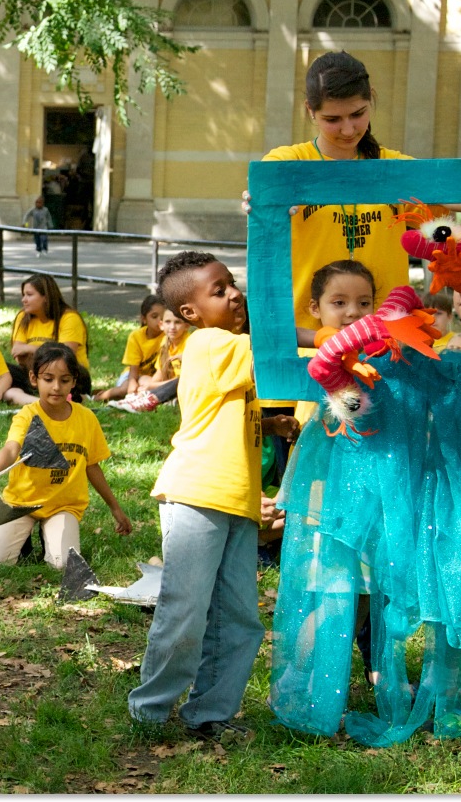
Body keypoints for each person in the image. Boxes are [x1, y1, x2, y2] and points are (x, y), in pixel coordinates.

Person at [127, 252, 298, 742]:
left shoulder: (224, 350)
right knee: (185, 608)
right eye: (218, 290)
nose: (234, 294)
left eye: (232, 284)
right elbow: (274, 350)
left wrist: (268, 424)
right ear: (190, 314)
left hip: (238, 502)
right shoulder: (208, 343)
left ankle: (209, 713)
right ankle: (150, 711)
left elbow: (218, 412)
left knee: (239, 617)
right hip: (197, 495)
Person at [252, 52, 461, 347]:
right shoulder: (288, 161)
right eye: (332, 119)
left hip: (389, 344)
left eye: (357, 114)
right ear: (310, 110)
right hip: (311, 344)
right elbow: (264, 193)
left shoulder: (393, 166)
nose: (348, 130)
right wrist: (257, 200)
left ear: (371, 99)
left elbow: (451, 192)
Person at [0, 342, 130, 568]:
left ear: (74, 381)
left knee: (62, 565)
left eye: (64, 380)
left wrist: (115, 508)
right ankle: (22, 539)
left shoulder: (87, 419)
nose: (56, 387)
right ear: (33, 378)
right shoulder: (27, 415)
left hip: (63, 506)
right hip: (22, 502)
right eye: (48, 379)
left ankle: (48, 533)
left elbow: (92, 466)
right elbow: (11, 449)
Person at [8, 275, 89, 398]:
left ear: (46, 297)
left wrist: (30, 349)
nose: (23, 300)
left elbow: (67, 356)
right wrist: (47, 353)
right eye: (23, 295)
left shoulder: (70, 318)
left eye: (29, 295)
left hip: (68, 377)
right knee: (1, 371)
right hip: (34, 374)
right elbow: (18, 354)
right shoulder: (23, 317)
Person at [97, 296, 167, 402]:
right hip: (132, 375)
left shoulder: (167, 336)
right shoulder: (136, 336)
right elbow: (133, 369)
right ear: (144, 319)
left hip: (150, 378)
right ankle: (99, 397)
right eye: (154, 316)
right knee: (124, 390)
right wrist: (132, 383)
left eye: (163, 318)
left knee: (147, 388)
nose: (159, 321)